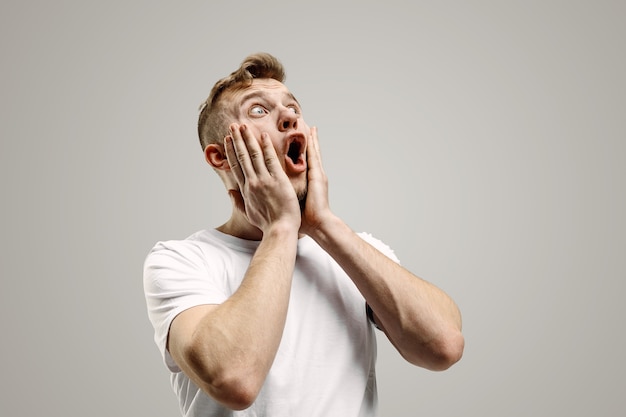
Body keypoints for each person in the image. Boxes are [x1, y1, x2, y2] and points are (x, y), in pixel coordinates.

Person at [143, 52, 464, 416]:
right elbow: (234, 379)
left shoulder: (357, 249)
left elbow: (443, 347)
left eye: (293, 107)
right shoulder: (180, 261)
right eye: (258, 111)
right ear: (221, 157)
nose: (289, 116)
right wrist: (280, 227)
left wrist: (323, 224)